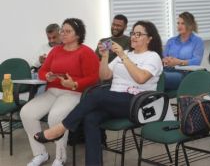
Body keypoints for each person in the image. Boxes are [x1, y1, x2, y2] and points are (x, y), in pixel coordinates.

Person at [33, 20, 163, 166]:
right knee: (90, 117)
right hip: (115, 100)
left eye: (139, 34)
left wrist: (123, 56)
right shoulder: (126, 53)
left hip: (137, 102)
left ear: (150, 38)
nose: (134, 36)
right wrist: (105, 56)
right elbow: (104, 76)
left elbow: (140, 78)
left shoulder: (153, 57)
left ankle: (61, 128)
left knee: (96, 94)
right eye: (133, 33)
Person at [20, 18, 100, 166]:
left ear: (77, 35)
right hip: (52, 91)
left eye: (67, 31)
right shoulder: (55, 51)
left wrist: (75, 83)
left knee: (55, 117)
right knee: (27, 113)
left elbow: (94, 78)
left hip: (73, 93)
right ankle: (40, 154)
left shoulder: (86, 52)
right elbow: (42, 70)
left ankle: (60, 158)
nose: (63, 33)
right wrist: (47, 75)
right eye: (62, 30)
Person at [163, 12, 204, 91]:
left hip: (185, 73)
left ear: (190, 25)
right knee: (155, 75)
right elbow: (164, 56)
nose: (179, 26)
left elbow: (197, 61)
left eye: (183, 23)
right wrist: (166, 60)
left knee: (161, 77)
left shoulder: (198, 41)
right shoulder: (171, 41)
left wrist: (179, 62)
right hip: (168, 69)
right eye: (178, 23)